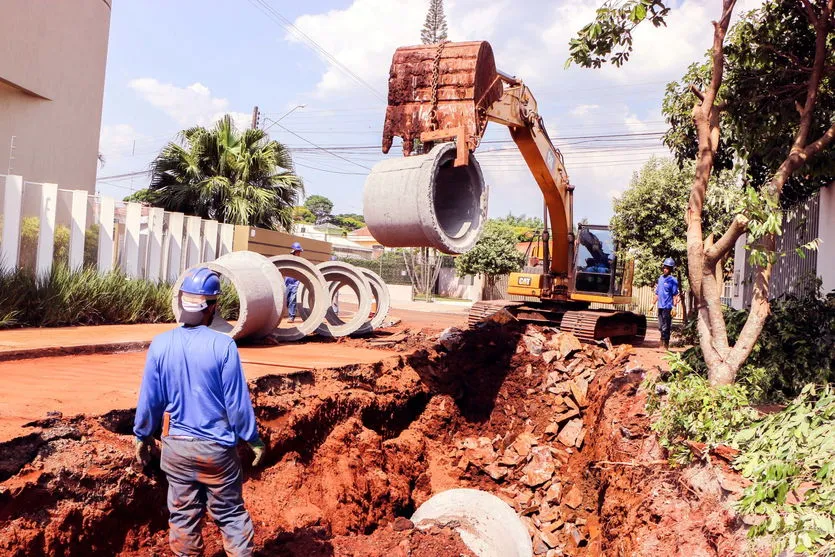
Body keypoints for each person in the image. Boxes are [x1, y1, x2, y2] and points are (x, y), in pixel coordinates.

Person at [133, 267, 266, 557]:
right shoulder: (223, 345)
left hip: (176, 449)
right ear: (213, 306)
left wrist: (141, 434)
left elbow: (150, 399)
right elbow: (236, 403)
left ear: (182, 302)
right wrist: (252, 438)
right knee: (230, 514)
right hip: (216, 449)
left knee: (182, 515)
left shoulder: (161, 344)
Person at [653, 257, 680, 350]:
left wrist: (674, 307)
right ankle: (661, 342)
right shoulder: (660, 278)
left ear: (671, 269)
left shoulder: (673, 280)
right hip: (660, 306)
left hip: (668, 307)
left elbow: (675, 295)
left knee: (666, 326)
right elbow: (657, 293)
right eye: (664, 267)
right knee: (660, 326)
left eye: (667, 268)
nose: (665, 269)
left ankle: (665, 345)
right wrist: (652, 304)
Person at [286, 242, 304, 322]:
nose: (299, 253)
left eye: (299, 251)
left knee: (292, 300)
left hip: (296, 283)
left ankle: (291, 316)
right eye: (297, 251)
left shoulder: (300, 261)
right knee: (286, 300)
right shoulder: (288, 259)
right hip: (287, 283)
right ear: (293, 251)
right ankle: (291, 313)